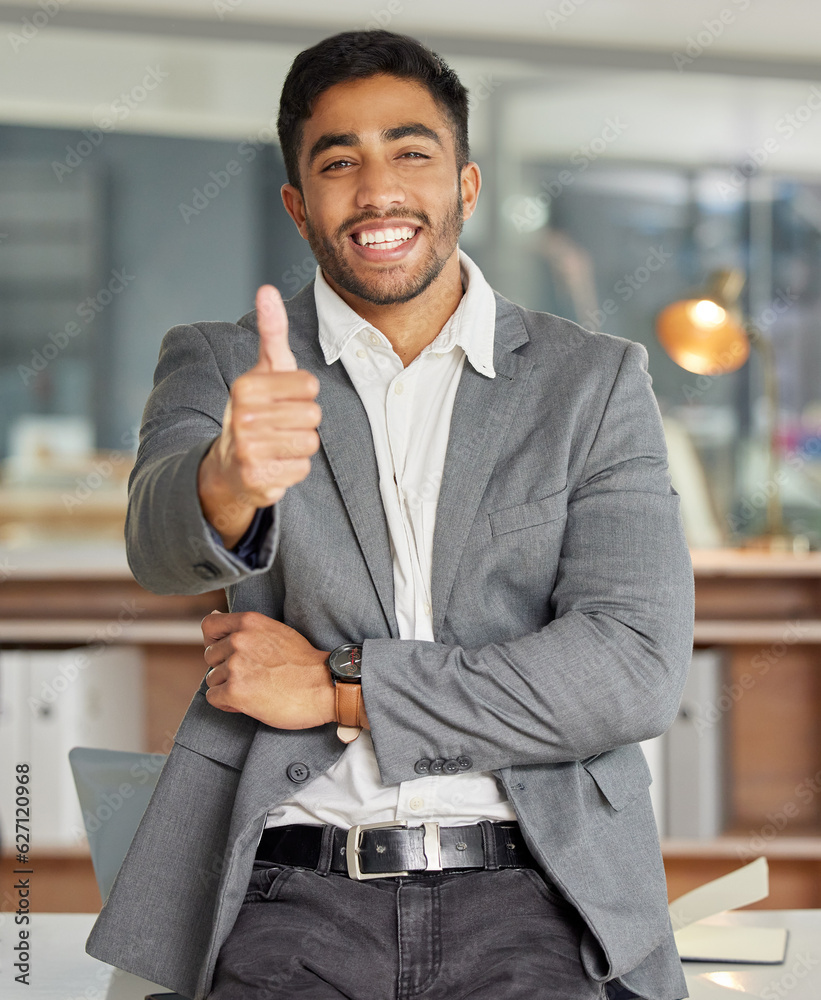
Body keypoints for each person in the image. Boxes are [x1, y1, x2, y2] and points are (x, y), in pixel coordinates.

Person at [86, 28, 694, 1000]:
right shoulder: (223, 363)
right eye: (338, 162)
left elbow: (629, 672)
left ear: (465, 185)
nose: (376, 190)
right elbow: (157, 545)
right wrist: (231, 475)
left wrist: (340, 691)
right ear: (297, 203)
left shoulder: (591, 383)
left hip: (533, 886)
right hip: (289, 888)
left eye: (410, 152)